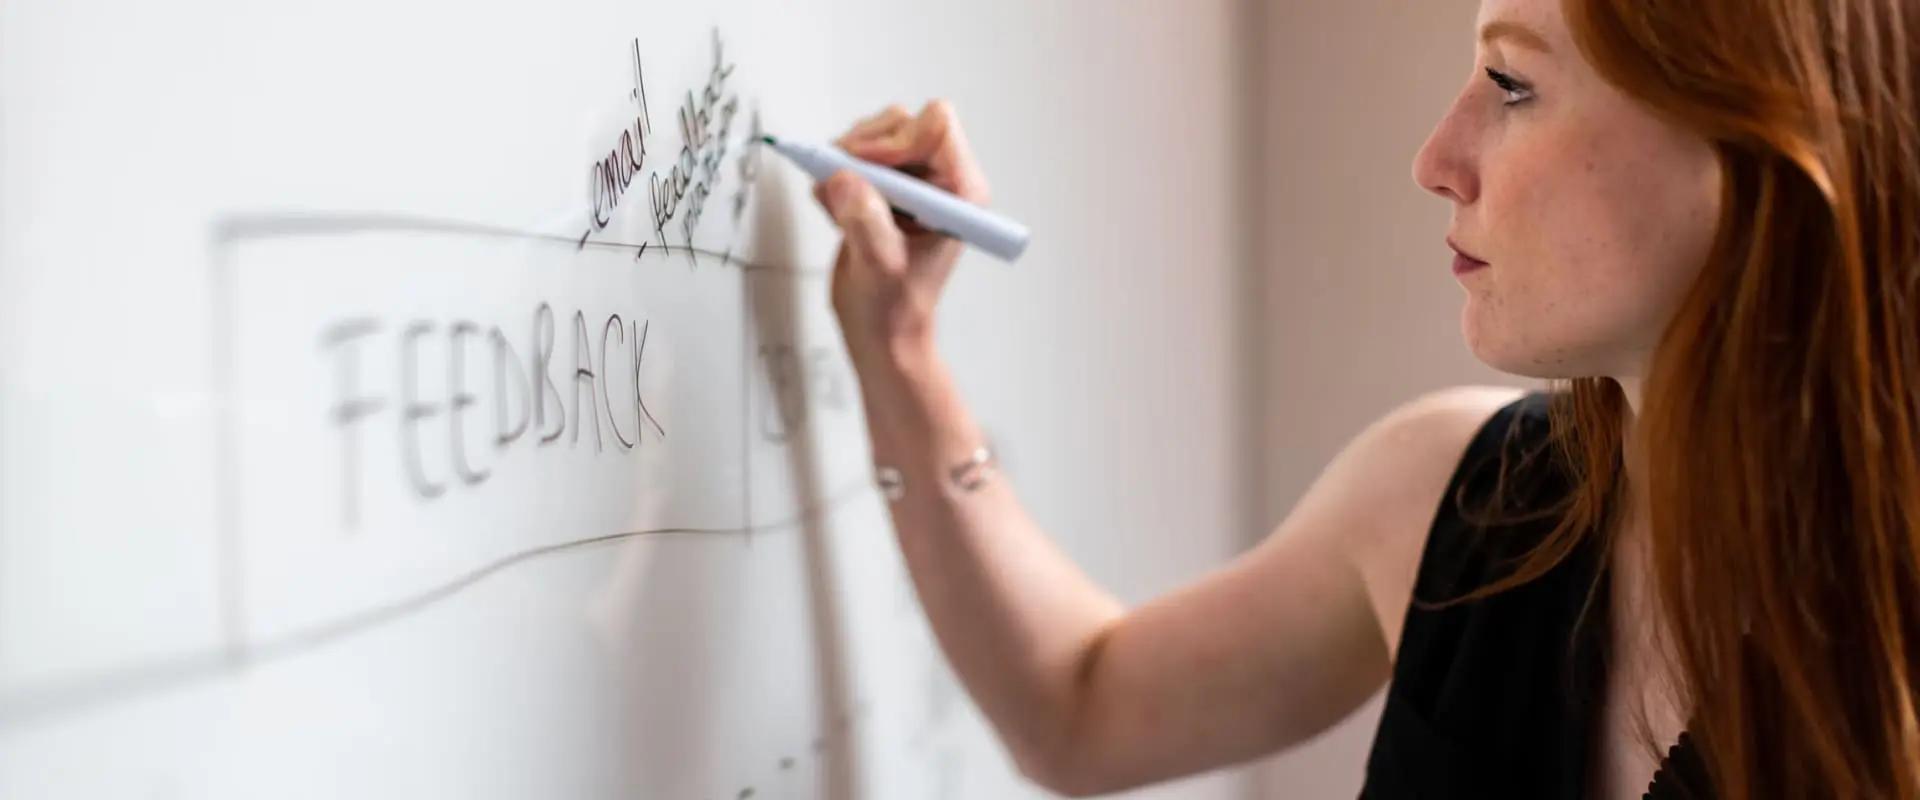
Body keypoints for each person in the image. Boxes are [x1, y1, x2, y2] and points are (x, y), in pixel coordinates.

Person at [811, 0, 1920, 796]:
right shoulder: (1455, 499)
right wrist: (901, 350)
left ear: (1758, 139)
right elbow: (1078, 708)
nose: (1437, 157)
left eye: (1514, 83)